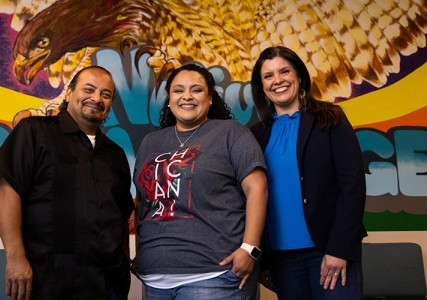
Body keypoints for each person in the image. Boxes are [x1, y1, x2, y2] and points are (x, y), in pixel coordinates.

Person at [0, 66, 134, 300]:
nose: (96, 98)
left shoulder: (116, 154)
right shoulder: (34, 132)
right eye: (89, 89)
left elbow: (122, 215)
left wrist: (124, 261)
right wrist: (15, 259)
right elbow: (8, 192)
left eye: (105, 94)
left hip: (109, 284)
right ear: (69, 92)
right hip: (49, 281)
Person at [132, 63, 268, 299]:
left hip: (215, 276)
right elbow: (141, 203)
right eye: (178, 90)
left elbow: (257, 188)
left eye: (196, 90)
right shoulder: (151, 143)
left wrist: (250, 249)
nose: (187, 96)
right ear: (169, 98)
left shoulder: (230, 133)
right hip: (155, 278)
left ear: (210, 98)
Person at [250, 46, 367, 299]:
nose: (277, 80)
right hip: (282, 260)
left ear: (299, 76)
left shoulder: (329, 118)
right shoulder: (255, 135)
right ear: (261, 86)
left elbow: (353, 184)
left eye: (284, 71)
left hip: (329, 251)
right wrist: (263, 261)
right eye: (268, 76)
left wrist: (339, 249)